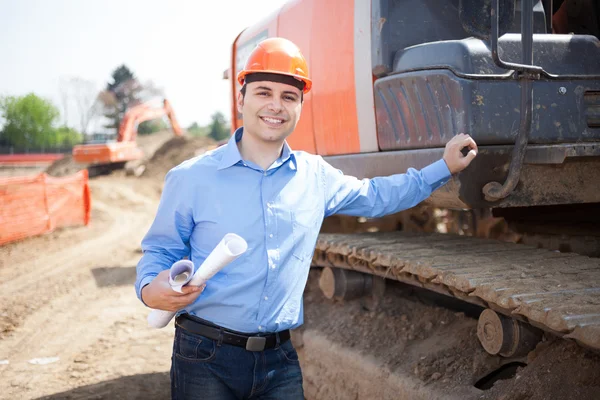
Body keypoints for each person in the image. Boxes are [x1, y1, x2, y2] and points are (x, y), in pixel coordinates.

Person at [135, 37, 478, 400]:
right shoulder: (192, 177)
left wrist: (444, 167)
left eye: (288, 96)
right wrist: (148, 288)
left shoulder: (315, 177)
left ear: (300, 105)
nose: (275, 106)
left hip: (279, 359)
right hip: (205, 355)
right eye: (263, 92)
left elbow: (377, 196)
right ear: (241, 99)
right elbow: (161, 249)